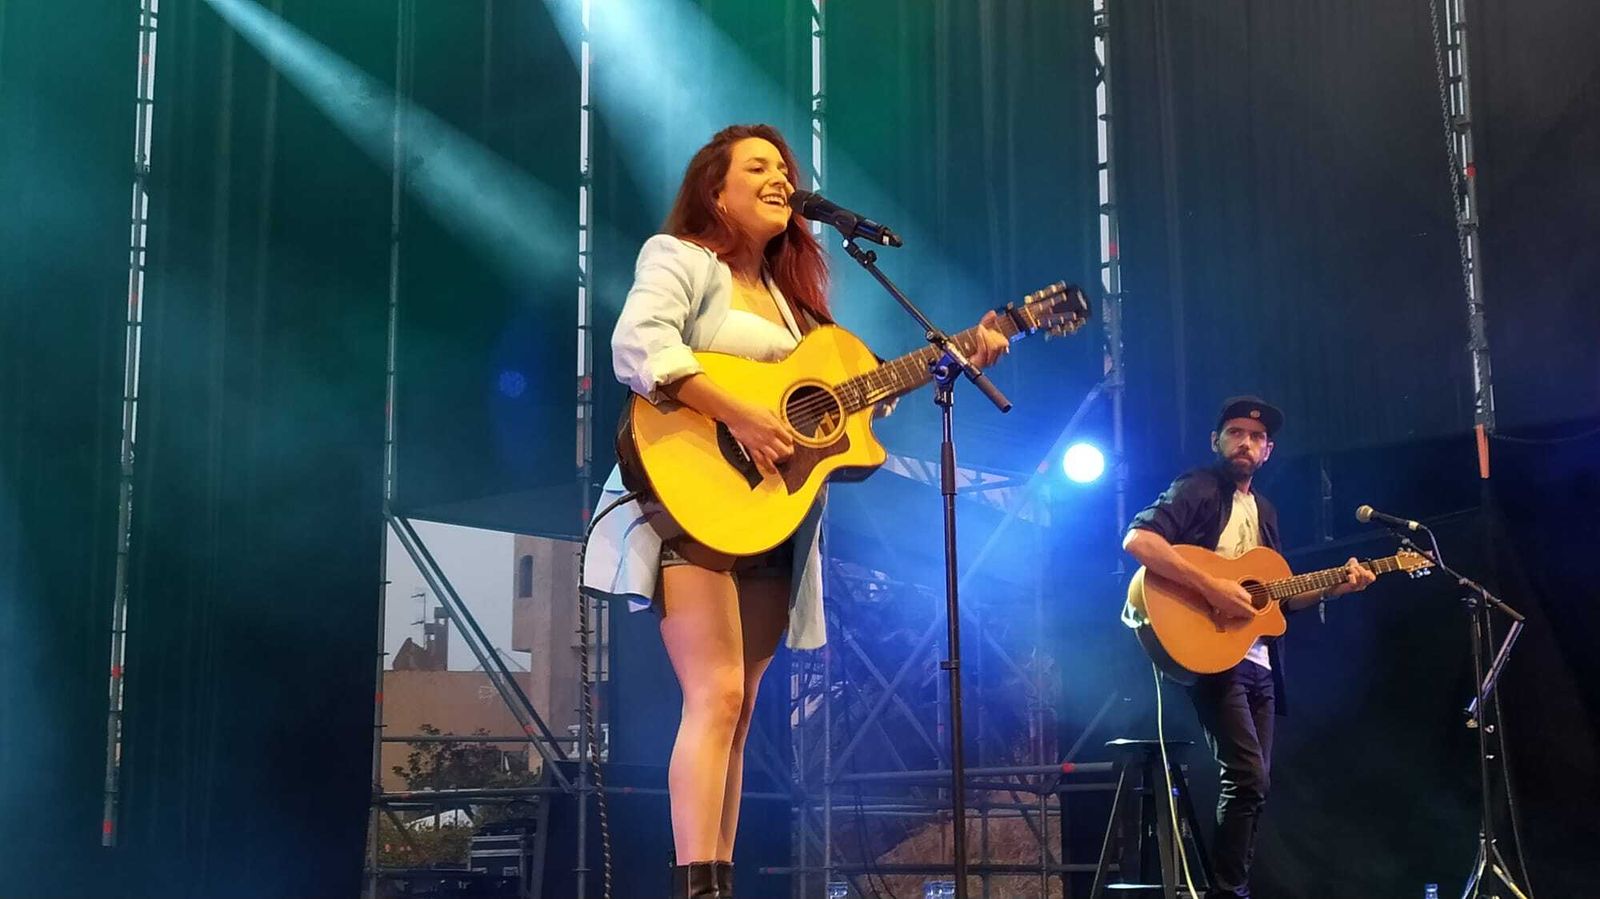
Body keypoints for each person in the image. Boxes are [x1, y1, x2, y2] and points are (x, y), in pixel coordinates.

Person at [582, 124, 1010, 898]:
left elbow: (845, 396)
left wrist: (960, 351)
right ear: (716, 190)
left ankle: (721, 877)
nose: (781, 178)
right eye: (759, 167)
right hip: (694, 488)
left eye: (785, 168)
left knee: (742, 711)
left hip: (775, 517)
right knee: (713, 695)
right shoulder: (677, 257)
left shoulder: (795, 308)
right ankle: (697, 887)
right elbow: (638, 344)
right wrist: (741, 415)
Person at [1120, 396, 1375, 898]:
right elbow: (1139, 541)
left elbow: (1274, 597)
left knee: (1253, 787)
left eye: (1256, 438)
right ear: (1216, 441)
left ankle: (1231, 888)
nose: (1246, 442)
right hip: (1209, 651)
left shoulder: (1266, 511)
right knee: (1248, 778)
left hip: (1256, 660)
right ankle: (1228, 892)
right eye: (1235, 432)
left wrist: (1335, 585)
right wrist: (1214, 588)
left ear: (1269, 451)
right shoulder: (1197, 487)